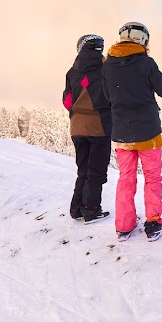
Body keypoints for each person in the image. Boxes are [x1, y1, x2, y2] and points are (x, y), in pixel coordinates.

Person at [102, 21, 162, 241]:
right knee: (152, 177)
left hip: (121, 131)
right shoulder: (146, 63)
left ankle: (124, 226)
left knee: (126, 177)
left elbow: (107, 96)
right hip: (148, 131)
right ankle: (153, 222)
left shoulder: (107, 65)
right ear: (143, 40)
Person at [62, 34, 112, 223]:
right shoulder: (106, 69)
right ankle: (91, 209)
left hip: (77, 127)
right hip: (100, 126)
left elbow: (67, 102)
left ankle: (76, 209)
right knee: (96, 171)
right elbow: (111, 97)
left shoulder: (72, 72)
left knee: (83, 170)